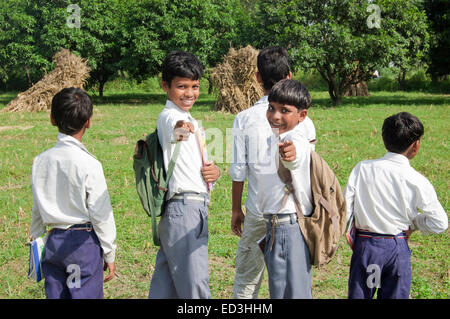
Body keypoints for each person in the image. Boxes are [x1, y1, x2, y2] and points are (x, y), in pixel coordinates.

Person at [230, 47, 316, 299]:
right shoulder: (304, 120)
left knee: (247, 280)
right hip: (293, 215)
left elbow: (238, 170)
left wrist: (236, 210)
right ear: (289, 75)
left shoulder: (243, 118)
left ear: (257, 77)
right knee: (293, 282)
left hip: (258, 210)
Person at [344, 112, 448, 299]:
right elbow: (440, 223)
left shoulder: (363, 168)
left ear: (384, 139)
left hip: (368, 248)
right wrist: (415, 225)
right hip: (397, 248)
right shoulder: (417, 180)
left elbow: (344, 208)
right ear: (416, 146)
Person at [30, 87, 117, 299]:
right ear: (88, 121)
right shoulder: (90, 163)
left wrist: (35, 237)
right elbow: (100, 213)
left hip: (53, 241)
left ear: (52, 119)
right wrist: (109, 251)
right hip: (82, 245)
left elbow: (37, 205)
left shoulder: (40, 161)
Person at [148, 51, 221, 299]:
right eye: (181, 86)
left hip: (179, 211)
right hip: (186, 210)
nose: (189, 93)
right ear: (165, 86)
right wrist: (182, 127)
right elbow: (175, 129)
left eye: (195, 86)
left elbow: (196, 162)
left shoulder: (190, 118)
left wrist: (214, 172)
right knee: (195, 288)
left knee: (165, 287)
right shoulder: (171, 117)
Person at [259, 79, 314, 298]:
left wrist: (290, 154)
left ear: (302, 116)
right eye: (271, 108)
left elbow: (295, 153)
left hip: (287, 228)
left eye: (285, 111)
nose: (275, 116)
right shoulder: (276, 136)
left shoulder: (294, 138)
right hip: (277, 226)